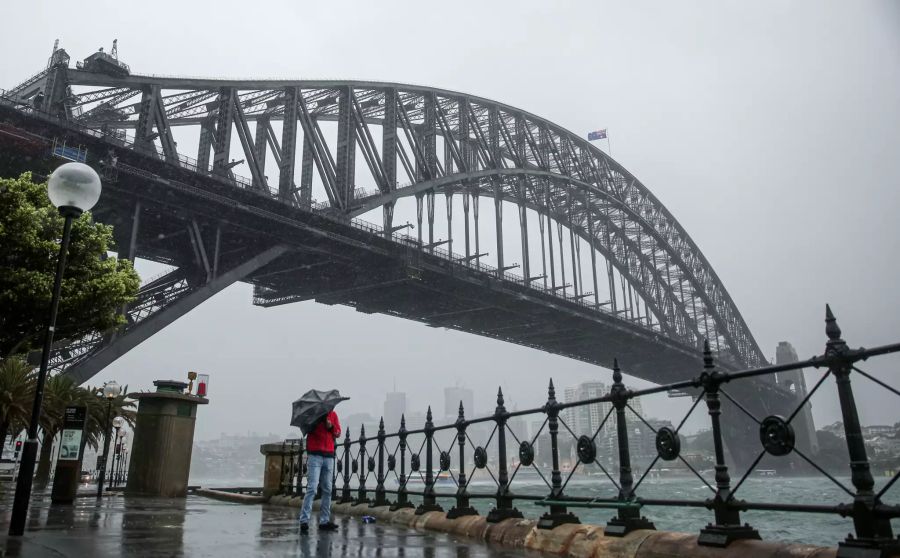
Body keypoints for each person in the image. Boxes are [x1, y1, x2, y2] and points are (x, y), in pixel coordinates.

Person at [299, 410, 341, 534]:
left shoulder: (333, 415)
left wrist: (330, 426)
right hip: (315, 455)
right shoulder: (313, 415)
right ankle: (304, 520)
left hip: (329, 455)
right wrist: (317, 423)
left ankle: (324, 521)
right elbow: (306, 430)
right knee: (312, 487)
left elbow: (338, 433)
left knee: (328, 488)